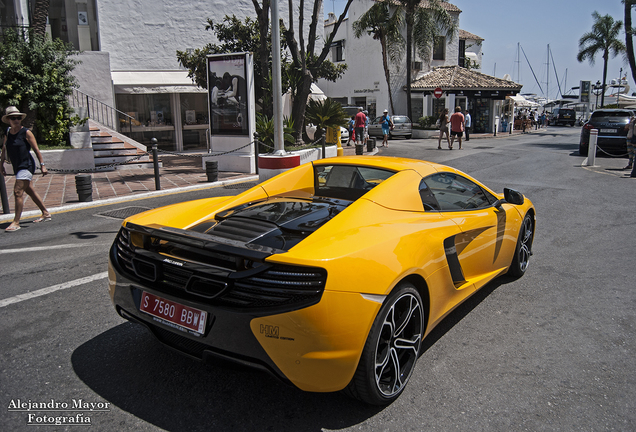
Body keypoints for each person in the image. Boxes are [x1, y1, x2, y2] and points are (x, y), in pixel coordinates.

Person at [1, 106, 51, 232]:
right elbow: (4, 149)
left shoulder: (26, 132)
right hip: (17, 166)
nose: (16, 120)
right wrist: (1, 165)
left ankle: (16, 222)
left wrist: (42, 164)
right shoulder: (7, 132)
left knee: (18, 191)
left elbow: (36, 149)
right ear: (8, 120)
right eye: (13, 118)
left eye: (18, 118)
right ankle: (45, 213)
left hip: (27, 165)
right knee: (29, 190)